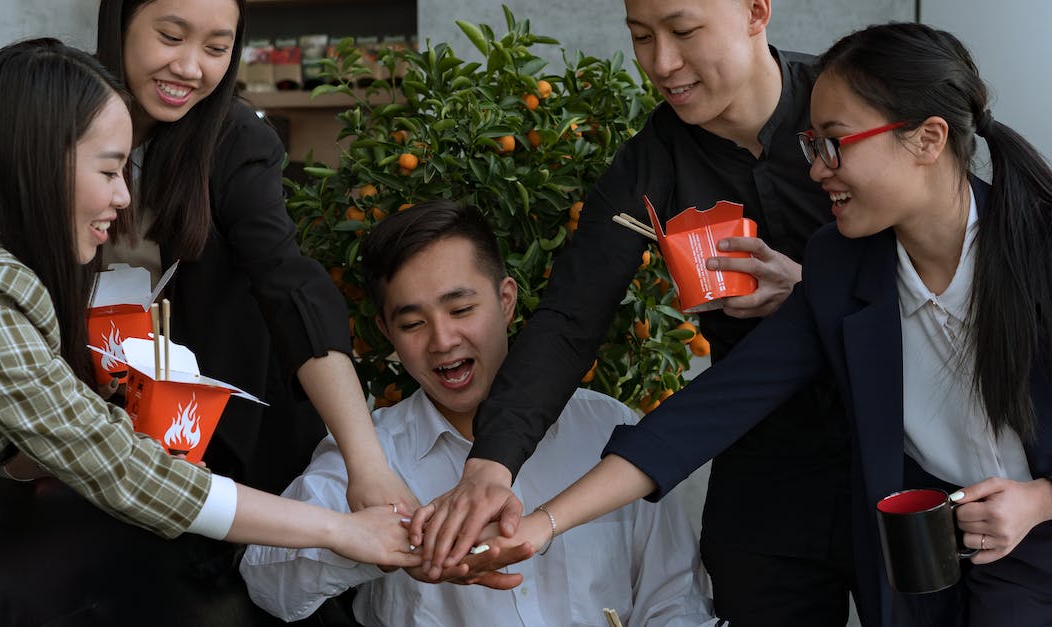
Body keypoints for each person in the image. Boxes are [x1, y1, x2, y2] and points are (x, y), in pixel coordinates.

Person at [476, 21, 1052, 627]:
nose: (817, 169)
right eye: (811, 146)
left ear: (928, 138)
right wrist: (541, 524)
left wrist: (1039, 502)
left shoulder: (1033, 247)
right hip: (916, 545)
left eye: (835, 143)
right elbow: (710, 409)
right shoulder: (841, 264)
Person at [0, 38, 420, 569]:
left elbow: (26, 443)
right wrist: (337, 530)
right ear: (37, 162)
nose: (123, 198)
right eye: (108, 171)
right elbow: (115, 466)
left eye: (219, 44)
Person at [412, 1, 856, 623]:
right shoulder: (651, 162)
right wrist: (492, 464)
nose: (662, 63)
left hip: (893, 437)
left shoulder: (849, 108)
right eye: (642, 37)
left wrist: (815, 288)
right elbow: (570, 318)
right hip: (756, 457)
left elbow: (942, 255)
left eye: (683, 31)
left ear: (756, 11)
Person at [239, 200, 717, 627]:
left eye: (462, 309)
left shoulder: (603, 429)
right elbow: (268, 585)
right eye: (412, 323)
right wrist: (370, 547)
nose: (443, 340)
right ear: (385, 330)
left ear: (506, 301)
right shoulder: (370, 453)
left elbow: (676, 599)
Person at [94, 0, 415, 509]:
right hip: (97, 422)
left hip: (225, 437)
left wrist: (366, 462)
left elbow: (288, 281)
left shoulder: (236, 140)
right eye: (172, 37)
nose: (191, 68)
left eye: (217, 48)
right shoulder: (64, 123)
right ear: (118, 24)